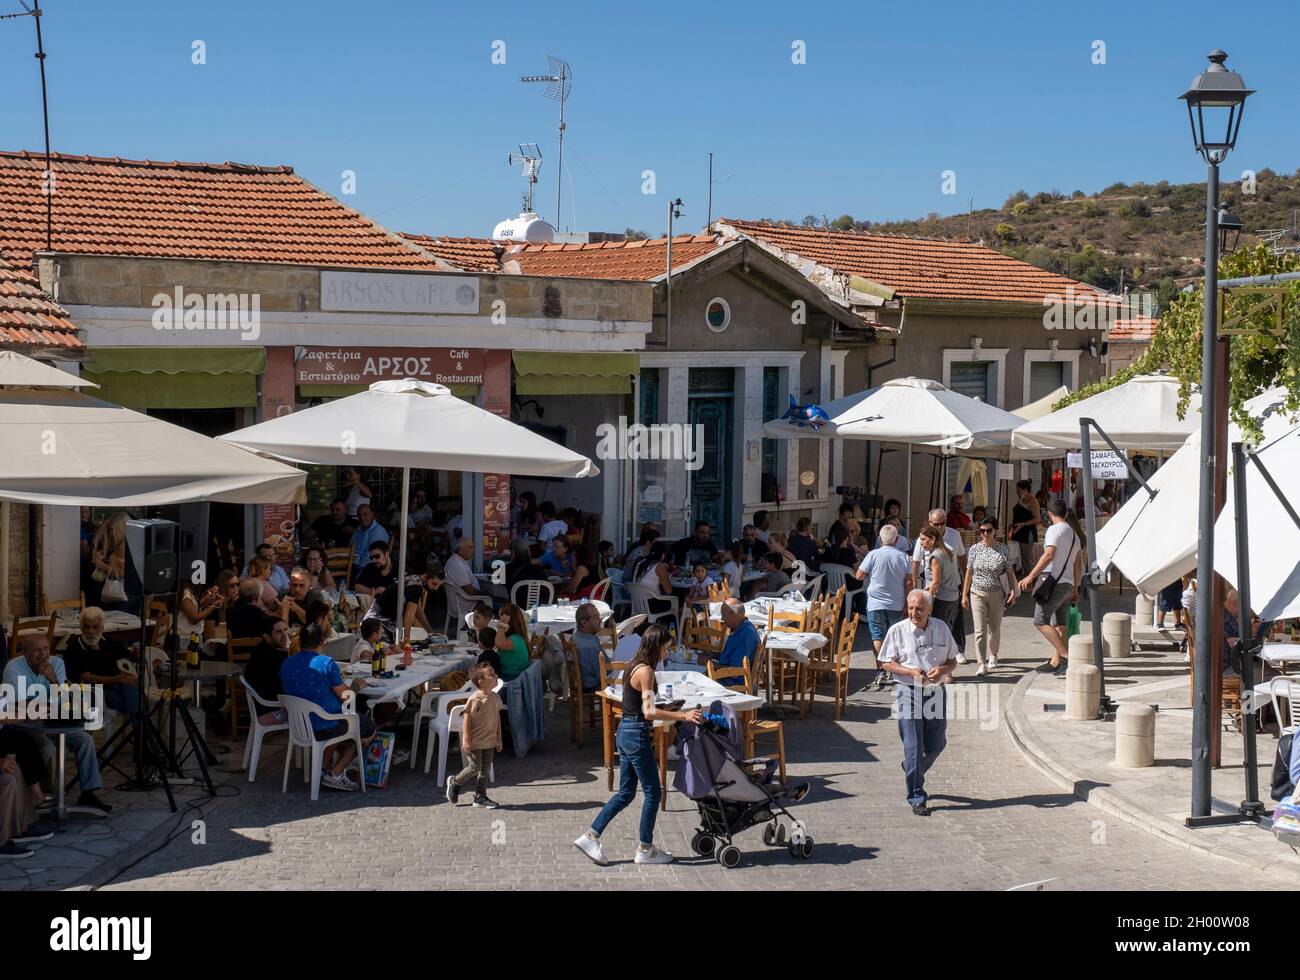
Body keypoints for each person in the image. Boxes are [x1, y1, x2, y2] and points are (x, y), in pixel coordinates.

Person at [574, 625, 703, 866]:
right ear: (657, 646)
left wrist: (670, 710)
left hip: (626, 732)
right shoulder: (647, 672)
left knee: (626, 793)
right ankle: (645, 848)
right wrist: (682, 716)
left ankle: (591, 836)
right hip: (636, 735)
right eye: (666, 648)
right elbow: (649, 711)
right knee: (654, 791)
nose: (667, 653)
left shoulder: (634, 664)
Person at [2, 634, 111, 813]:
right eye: (37, 650)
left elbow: (63, 701)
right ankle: (47, 798)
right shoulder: (13, 667)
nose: (43, 654)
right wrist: (49, 700)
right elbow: (19, 706)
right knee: (48, 748)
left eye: (46, 648)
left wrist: (53, 680)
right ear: (25, 653)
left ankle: (88, 793)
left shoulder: (57, 664)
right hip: (24, 726)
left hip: (53, 721)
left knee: (85, 740)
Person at [878, 590, 958, 815]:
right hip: (907, 691)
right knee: (912, 746)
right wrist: (909, 671)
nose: (914, 613)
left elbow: (953, 660)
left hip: (935, 692)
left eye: (919, 609)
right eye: (911, 608)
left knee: (937, 743)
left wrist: (943, 669)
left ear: (930, 610)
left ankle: (913, 768)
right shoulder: (898, 631)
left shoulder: (941, 628)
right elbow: (885, 662)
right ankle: (916, 796)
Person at [279, 623, 376, 791]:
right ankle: (336, 773)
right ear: (322, 642)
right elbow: (347, 697)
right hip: (324, 724)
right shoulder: (326, 664)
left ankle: (324, 768)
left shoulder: (286, 664)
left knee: (341, 718)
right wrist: (356, 686)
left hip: (298, 725)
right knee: (367, 726)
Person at [1018, 500, 1081, 676]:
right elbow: (1077, 565)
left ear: (1050, 514)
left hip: (1054, 582)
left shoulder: (1054, 530)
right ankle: (1056, 661)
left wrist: (1030, 576)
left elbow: (1049, 554)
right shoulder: (1074, 535)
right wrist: (1075, 588)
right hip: (1067, 584)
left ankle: (1067, 657)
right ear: (1066, 514)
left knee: (1040, 620)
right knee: (1060, 624)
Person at [856, 524, 913, 689]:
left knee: (877, 636)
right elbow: (909, 582)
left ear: (880, 539)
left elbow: (859, 575)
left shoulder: (873, 554)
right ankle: (892, 669)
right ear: (896, 540)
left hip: (875, 602)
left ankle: (880, 669)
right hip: (896, 602)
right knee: (894, 636)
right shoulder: (903, 557)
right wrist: (908, 603)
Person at [961, 518, 1017, 676]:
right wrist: (964, 595)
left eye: (989, 530)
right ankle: (981, 663)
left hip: (997, 593)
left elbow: (1010, 572)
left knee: (994, 628)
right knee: (979, 631)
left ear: (995, 531)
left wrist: (1013, 590)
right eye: (982, 530)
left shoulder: (1003, 549)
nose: (985, 533)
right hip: (976, 592)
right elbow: (969, 572)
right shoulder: (974, 549)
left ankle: (993, 655)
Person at [62, 607, 141, 718]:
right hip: (92, 691)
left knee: (136, 698)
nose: (90, 631)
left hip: (114, 686)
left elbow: (126, 653)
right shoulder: (74, 649)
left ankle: (142, 731)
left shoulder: (107, 641)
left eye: (95, 627)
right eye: (86, 626)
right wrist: (119, 679)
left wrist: (135, 651)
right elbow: (87, 678)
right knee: (133, 703)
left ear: (102, 627)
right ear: (80, 627)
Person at [446, 663, 503, 808]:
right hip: (475, 741)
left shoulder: (496, 698)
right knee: (474, 768)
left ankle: (480, 796)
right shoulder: (475, 699)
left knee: (485, 768)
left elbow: (497, 718)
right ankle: (455, 782)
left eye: (495, 673)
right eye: (491, 675)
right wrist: (466, 739)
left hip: (489, 740)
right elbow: (467, 718)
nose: (496, 676)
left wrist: (499, 738)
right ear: (481, 682)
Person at [917, 523, 964, 662]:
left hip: (942, 600)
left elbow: (936, 582)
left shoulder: (936, 556)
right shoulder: (948, 550)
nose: (921, 544)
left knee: (938, 636)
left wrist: (928, 600)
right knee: (946, 633)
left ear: (932, 539)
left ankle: (944, 668)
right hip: (953, 597)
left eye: (923, 539)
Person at [243, 616, 290, 724]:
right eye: (279, 632)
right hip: (269, 711)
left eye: (285, 630)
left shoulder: (263, 649)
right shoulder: (270, 656)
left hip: (264, 707)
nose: (284, 635)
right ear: (267, 637)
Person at [910, 509, 966, 586]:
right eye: (936, 524)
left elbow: (962, 557)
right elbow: (916, 562)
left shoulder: (955, 534)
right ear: (930, 522)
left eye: (942, 523)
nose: (939, 527)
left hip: (953, 586)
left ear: (946, 520)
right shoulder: (922, 539)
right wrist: (914, 583)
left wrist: (965, 579)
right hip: (931, 586)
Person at [89, 511, 132, 611]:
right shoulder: (126, 543)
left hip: (121, 596)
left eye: (113, 530)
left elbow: (122, 572)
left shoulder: (123, 546)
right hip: (125, 594)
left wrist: (101, 565)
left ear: (120, 529)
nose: (111, 533)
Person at [715, 598, 760, 684]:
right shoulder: (744, 627)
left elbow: (735, 672)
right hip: (728, 677)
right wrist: (713, 655)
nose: (722, 618)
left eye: (723, 615)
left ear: (732, 614)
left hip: (734, 683)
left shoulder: (745, 635)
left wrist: (710, 666)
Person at [573, 602, 608, 694]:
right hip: (594, 686)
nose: (600, 620)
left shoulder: (576, 637)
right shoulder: (590, 647)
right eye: (596, 617)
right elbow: (603, 674)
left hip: (587, 682)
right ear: (584, 623)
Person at [1008, 480, 1042, 575]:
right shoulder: (1022, 500)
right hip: (1017, 532)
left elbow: (1037, 519)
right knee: (1019, 558)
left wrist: (1023, 524)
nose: (1016, 492)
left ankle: (1030, 582)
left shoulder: (1033, 501)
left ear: (1025, 490)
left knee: (1027, 559)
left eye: (1018, 490)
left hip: (1027, 533)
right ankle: (1023, 579)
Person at [494, 604, 531, 681]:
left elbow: (499, 644)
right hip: (512, 675)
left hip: (511, 678)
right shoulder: (517, 637)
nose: (499, 620)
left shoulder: (515, 640)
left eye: (500, 618)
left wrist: (502, 625)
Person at [350, 504, 389, 573]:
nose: (362, 517)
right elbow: (350, 547)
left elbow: (374, 558)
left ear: (372, 515)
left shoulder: (378, 532)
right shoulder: (358, 529)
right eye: (359, 515)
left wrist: (354, 566)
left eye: (365, 514)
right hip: (352, 565)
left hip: (368, 570)